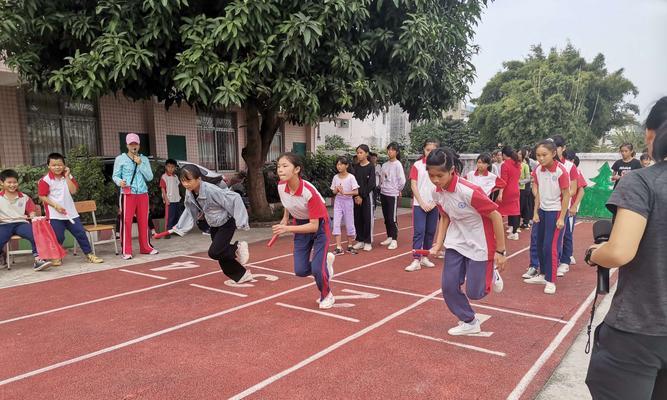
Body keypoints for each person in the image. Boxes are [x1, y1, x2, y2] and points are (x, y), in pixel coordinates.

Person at [585, 96, 667, 400]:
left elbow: (619, 251)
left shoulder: (642, 182)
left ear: (650, 134)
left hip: (640, 330)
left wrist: (595, 254)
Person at [426, 147, 507, 336]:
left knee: (475, 293)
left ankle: (492, 273)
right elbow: (445, 217)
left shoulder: (469, 191)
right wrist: (439, 243)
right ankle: (469, 321)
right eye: (431, 176)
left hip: (480, 242)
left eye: (440, 175)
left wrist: (501, 252)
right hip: (456, 241)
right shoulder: (437, 192)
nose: (436, 180)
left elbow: (495, 215)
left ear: (452, 170)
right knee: (448, 286)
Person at [167, 164, 251, 283]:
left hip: (226, 222)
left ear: (199, 179)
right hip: (213, 224)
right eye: (183, 181)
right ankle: (241, 275)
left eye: (189, 180)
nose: (186, 184)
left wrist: (241, 222)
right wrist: (182, 226)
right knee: (220, 253)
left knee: (215, 252)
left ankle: (237, 247)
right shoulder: (189, 192)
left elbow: (234, 198)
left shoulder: (211, 190)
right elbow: (189, 207)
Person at [273, 153, 335, 309]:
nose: (280, 169)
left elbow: (314, 226)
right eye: (279, 166)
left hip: (320, 226)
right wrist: (285, 217)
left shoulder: (309, 192)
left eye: (285, 166)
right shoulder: (281, 185)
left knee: (317, 268)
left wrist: (286, 228)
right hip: (300, 224)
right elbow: (287, 202)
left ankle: (326, 295)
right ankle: (324, 266)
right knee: (300, 270)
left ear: (297, 169)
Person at [38, 153, 104, 265]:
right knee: (58, 236)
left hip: (71, 213)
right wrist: (56, 206)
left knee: (80, 233)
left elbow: (73, 191)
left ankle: (89, 254)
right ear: (48, 166)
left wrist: (67, 176)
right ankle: (56, 256)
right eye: (54, 165)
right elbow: (42, 196)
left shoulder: (68, 176)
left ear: (64, 165)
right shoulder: (45, 180)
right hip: (55, 214)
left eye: (59, 165)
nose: (57, 167)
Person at [523, 139, 571, 294]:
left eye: (544, 155)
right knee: (540, 243)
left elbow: (566, 195)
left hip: (555, 211)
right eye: (538, 155)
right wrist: (535, 212)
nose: (541, 158)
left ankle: (551, 280)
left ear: (553, 153)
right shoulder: (538, 170)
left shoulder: (560, 171)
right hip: (542, 211)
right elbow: (538, 194)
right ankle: (543, 274)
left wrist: (562, 217)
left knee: (550, 246)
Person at [112, 133, 158, 260]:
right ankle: (126, 250)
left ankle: (146, 247)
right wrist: (119, 182)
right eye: (131, 144)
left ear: (139, 145)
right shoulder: (120, 159)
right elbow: (115, 175)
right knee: (126, 222)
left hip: (143, 193)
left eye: (136, 144)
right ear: (127, 145)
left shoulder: (144, 159)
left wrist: (141, 164)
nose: (134, 146)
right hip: (128, 194)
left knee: (143, 220)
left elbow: (149, 177)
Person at [0, 169, 51, 271]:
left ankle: (39, 260)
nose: (12, 185)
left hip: (21, 223)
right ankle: (2, 256)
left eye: (14, 182)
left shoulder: (24, 197)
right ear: (2, 183)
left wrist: (32, 215)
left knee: (35, 234)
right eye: (9, 182)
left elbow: (31, 210)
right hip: (4, 224)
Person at [405, 138, 439, 272]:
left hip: (434, 205)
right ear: (423, 150)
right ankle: (416, 259)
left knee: (430, 232)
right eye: (427, 150)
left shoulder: (440, 166)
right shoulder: (418, 165)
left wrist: (433, 202)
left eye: (433, 150)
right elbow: (413, 185)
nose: (430, 153)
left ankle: (424, 257)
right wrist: (421, 202)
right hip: (420, 204)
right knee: (419, 232)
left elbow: (442, 186)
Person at [551, 135, 580, 277]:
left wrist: (568, 200)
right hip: (549, 207)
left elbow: (575, 189)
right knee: (550, 237)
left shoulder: (570, 166)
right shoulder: (546, 166)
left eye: (557, 147)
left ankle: (565, 261)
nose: (555, 150)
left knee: (566, 233)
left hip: (564, 206)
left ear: (563, 148)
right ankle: (548, 264)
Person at [557, 150, 587, 274]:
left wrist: (574, 206)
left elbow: (581, 190)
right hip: (557, 207)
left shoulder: (574, 170)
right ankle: (563, 257)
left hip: (569, 208)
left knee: (567, 233)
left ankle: (566, 258)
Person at [379, 142, 406, 250]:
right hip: (383, 193)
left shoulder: (398, 164)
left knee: (392, 217)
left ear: (397, 152)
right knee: (386, 217)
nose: (390, 151)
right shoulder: (385, 165)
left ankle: (394, 239)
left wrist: (397, 189)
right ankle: (389, 236)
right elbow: (382, 178)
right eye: (389, 149)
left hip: (392, 194)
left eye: (392, 150)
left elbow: (402, 180)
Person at [330, 156, 359, 255]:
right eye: (337, 164)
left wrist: (344, 193)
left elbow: (356, 191)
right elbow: (333, 191)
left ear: (346, 165)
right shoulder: (335, 177)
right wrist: (337, 190)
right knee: (336, 223)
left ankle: (350, 245)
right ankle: (338, 247)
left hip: (348, 202)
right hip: (338, 201)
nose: (339, 166)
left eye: (341, 164)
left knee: (349, 223)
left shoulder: (351, 177)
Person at [351, 144, 376, 252]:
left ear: (366, 154)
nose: (359, 155)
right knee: (358, 218)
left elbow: (371, 184)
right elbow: (353, 183)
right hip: (356, 197)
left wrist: (362, 195)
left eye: (361, 152)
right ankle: (360, 240)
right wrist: (356, 196)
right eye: (358, 153)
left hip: (367, 197)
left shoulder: (371, 167)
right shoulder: (355, 167)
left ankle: (368, 241)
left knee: (367, 218)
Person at [496, 146, 522, 241]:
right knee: (515, 211)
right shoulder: (517, 164)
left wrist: (500, 193)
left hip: (507, 190)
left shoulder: (505, 165)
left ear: (503, 155)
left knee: (497, 211)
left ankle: (495, 231)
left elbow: (504, 180)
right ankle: (514, 232)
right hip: (516, 189)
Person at [160, 159, 183, 238]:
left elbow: (178, 186)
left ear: (175, 168)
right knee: (170, 217)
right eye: (169, 166)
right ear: (166, 167)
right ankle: (167, 233)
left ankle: (174, 230)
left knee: (177, 216)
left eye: (172, 167)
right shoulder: (164, 177)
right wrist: (166, 199)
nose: (170, 168)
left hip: (177, 199)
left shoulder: (176, 177)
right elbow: (162, 188)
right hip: (169, 201)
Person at [518, 148, 534, 229]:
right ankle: (524, 222)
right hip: (520, 188)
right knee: (524, 205)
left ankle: (525, 222)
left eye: (520, 154)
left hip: (525, 188)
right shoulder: (517, 163)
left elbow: (530, 177)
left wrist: (521, 182)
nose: (518, 155)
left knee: (525, 205)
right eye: (518, 153)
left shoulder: (527, 164)